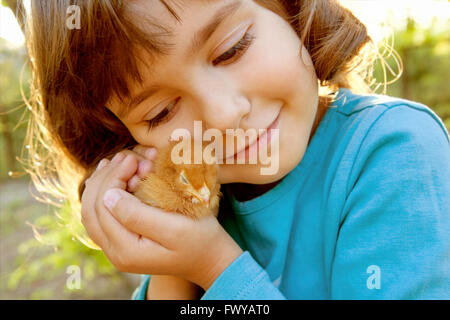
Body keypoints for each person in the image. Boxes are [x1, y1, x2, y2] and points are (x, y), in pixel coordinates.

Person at [23, 0, 449, 300]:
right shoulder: (199, 203)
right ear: (125, 139)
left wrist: (212, 265)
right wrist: (170, 259)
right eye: (162, 112)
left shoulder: (393, 150)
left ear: (287, 7)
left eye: (233, 49)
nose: (225, 116)